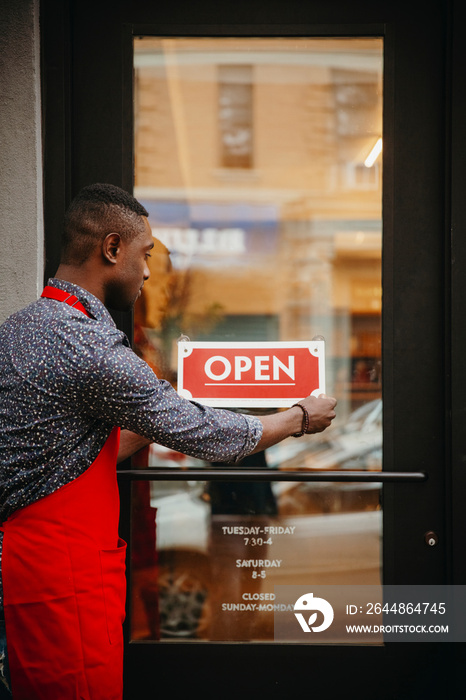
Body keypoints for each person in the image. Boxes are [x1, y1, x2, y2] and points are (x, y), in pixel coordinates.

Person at [0, 183, 337, 699]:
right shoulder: (86, 345)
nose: (150, 272)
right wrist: (298, 417)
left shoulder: (23, 327)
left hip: (36, 567)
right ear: (112, 249)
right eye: (146, 254)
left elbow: (74, 447)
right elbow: (207, 436)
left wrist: (169, 405)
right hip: (59, 580)